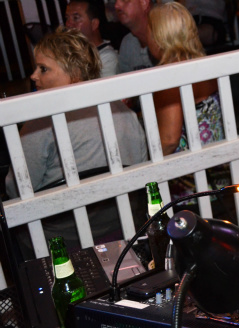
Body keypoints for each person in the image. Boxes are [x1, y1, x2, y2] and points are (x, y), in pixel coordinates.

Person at [4, 27, 148, 253]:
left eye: (43, 69)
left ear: (75, 73)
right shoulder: (123, 111)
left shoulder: (39, 122)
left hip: (60, 240)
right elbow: (141, 171)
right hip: (123, 227)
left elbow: (17, 189)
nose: (33, 75)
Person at [147, 1, 224, 155]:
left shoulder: (171, 76)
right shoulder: (205, 66)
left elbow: (169, 140)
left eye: (148, 30)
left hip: (191, 166)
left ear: (158, 37)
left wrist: (150, 163)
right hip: (219, 160)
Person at [65, 0, 120, 77]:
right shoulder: (67, 52)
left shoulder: (107, 58)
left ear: (94, 24)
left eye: (76, 18)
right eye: (67, 18)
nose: (68, 24)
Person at [115, 0, 154, 72]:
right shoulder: (127, 43)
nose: (116, 5)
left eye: (124, 0)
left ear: (144, 2)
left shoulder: (168, 37)